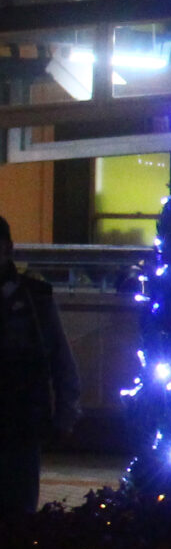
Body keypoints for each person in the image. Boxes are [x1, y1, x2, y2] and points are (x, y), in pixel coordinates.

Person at [0, 217, 80, 514]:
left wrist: (65, 415)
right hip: (24, 418)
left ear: (7, 249)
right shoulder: (33, 298)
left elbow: (60, 358)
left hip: (21, 421)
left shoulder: (36, 299)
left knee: (19, 508)